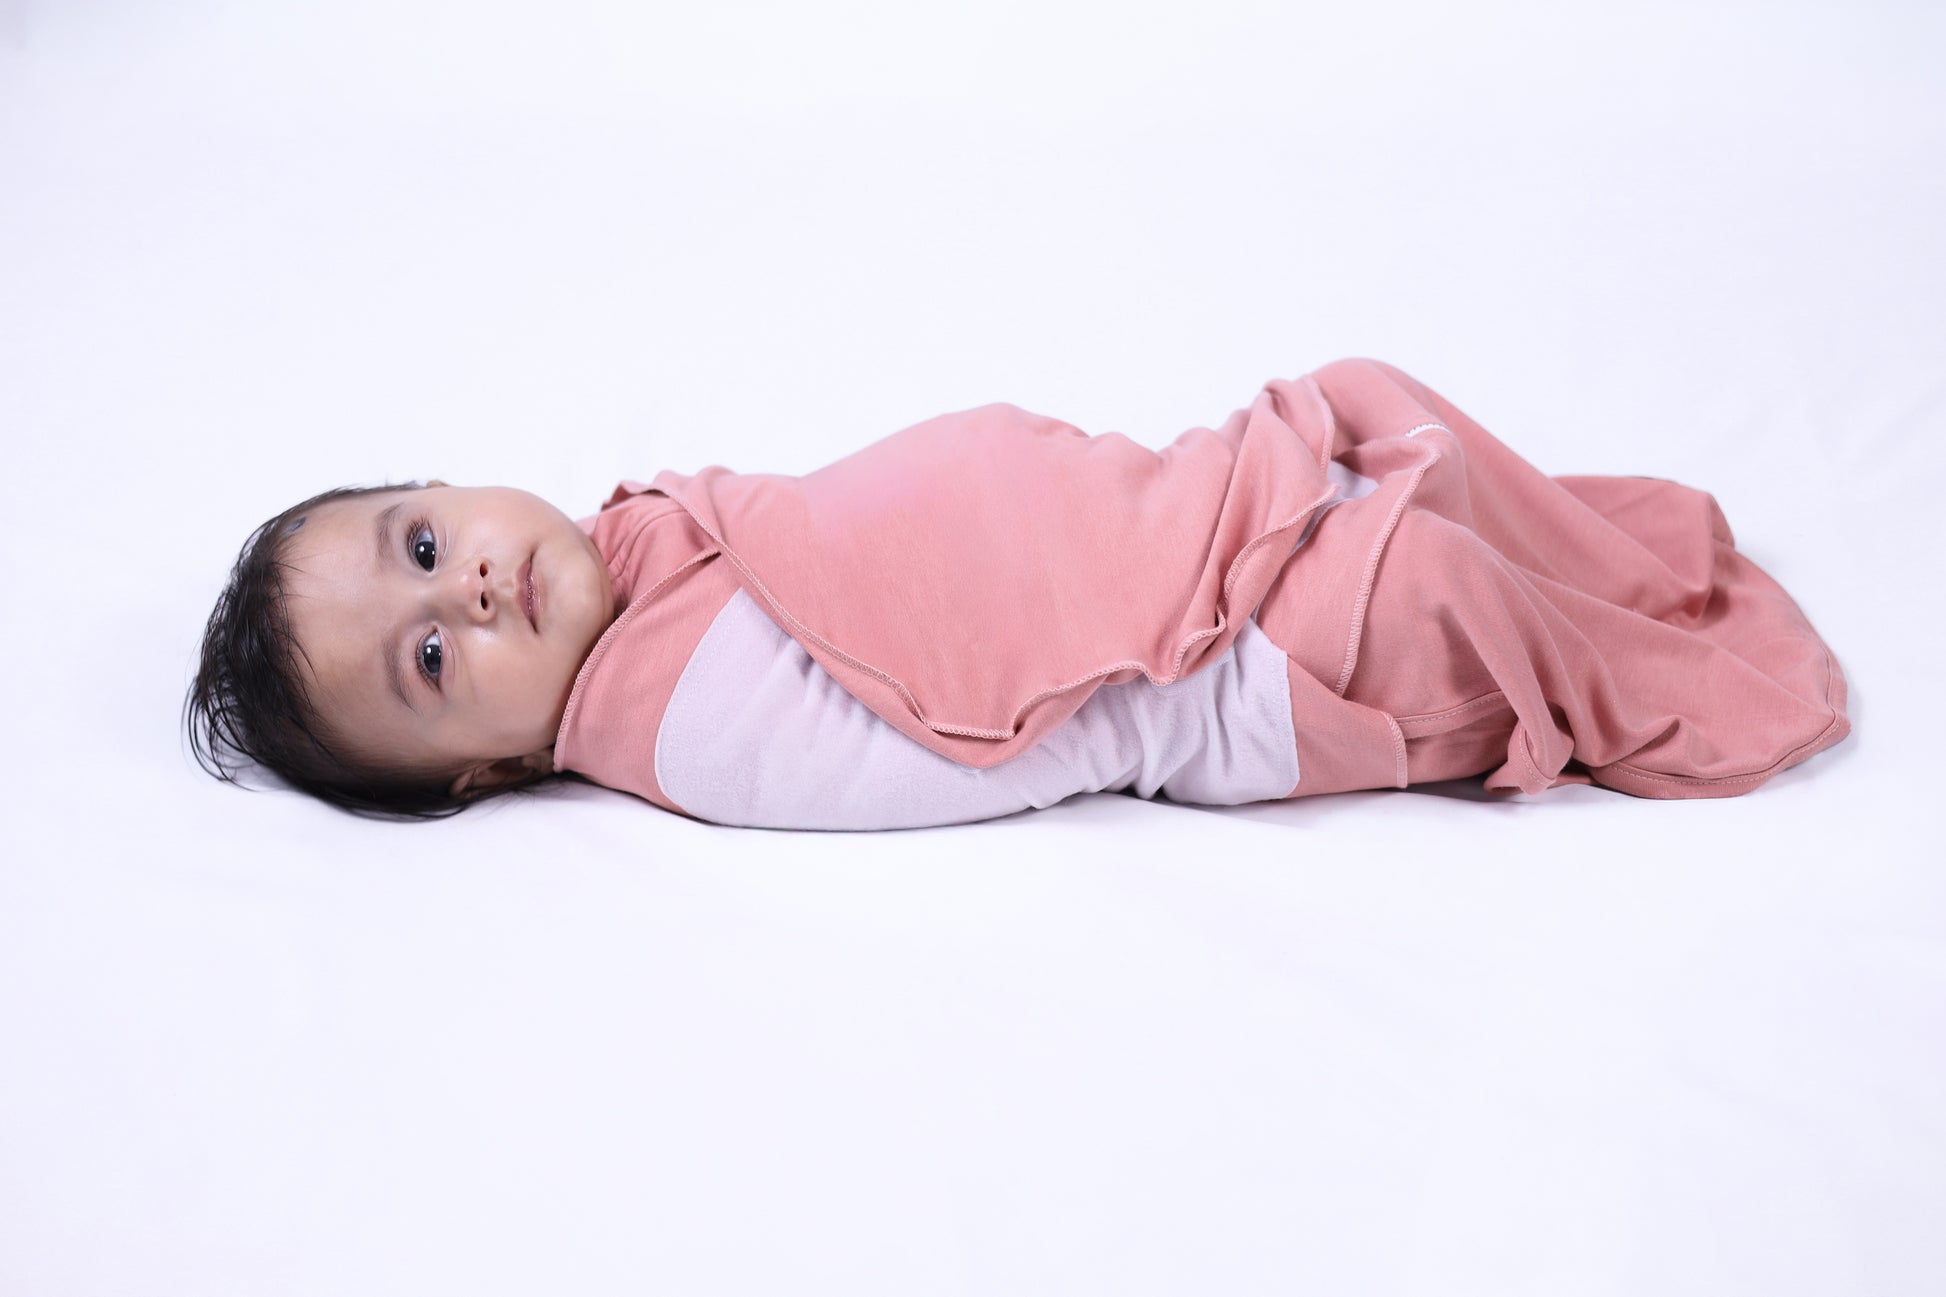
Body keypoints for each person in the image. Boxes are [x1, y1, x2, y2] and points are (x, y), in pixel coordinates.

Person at [184, 358, 1851, 830]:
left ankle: (1602, 580)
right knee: (1422, 580)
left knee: (1369, 398)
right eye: (429, 657)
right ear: (482, 768)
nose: (469, 585)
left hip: (1183, 548)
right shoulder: (676, 725)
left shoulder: (640, 544)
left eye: (422, 542)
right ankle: (1622, 665)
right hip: (1213, 674)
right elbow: (965, 737)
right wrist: (1190, 616)